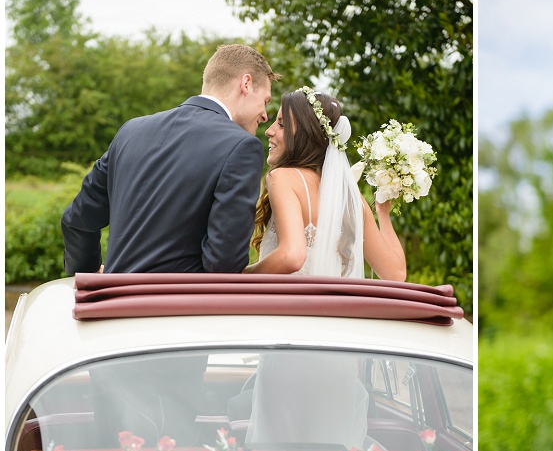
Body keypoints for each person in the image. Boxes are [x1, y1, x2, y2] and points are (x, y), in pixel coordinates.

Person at [61, 44, 280, 274]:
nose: (265, 115)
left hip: (111, 304)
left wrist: (87, 277)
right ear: (246, 84)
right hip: (177, 306)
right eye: (265, 101)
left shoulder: (131, 131)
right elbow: (224, 262)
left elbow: (77, 220)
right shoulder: (241, 147)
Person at [243, 87, 407, 281]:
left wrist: (242, 275)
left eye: (281, 124)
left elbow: (292, 256)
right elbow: (396, 274)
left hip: (284, 309)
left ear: (306, 133)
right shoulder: (351, 199)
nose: (269, 131)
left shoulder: (282, 177)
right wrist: (383, 214)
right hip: (332, 312)